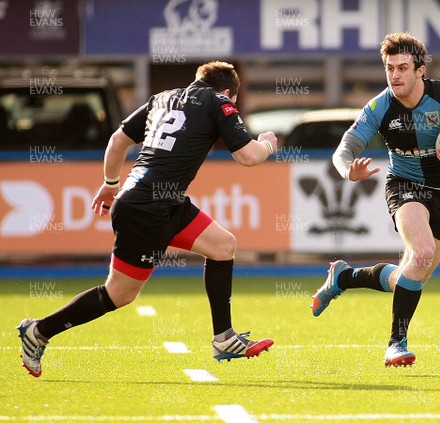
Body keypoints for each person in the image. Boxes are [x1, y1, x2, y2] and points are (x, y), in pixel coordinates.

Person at [18, 61, 277, 377]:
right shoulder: (219, 101)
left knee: (223, 245)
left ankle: (224, 338)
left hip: (158, 200)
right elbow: (248, 156)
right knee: (119, 294)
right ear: (227, 92)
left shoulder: (162, 98)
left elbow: (118, 140)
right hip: (148, 208)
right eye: (231, 100)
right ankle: (39, 331)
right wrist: (267, 144)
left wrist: (111, 184)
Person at [311, 33, 440, 367]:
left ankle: (343, 278)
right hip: (404, 186)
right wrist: (346, 171)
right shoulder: (380, 106)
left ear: (420, 70)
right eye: (390, 68)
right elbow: (345, 148)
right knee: (423, 253)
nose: (395, 75)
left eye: (403, 68)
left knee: (412, 274)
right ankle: (396, 343)